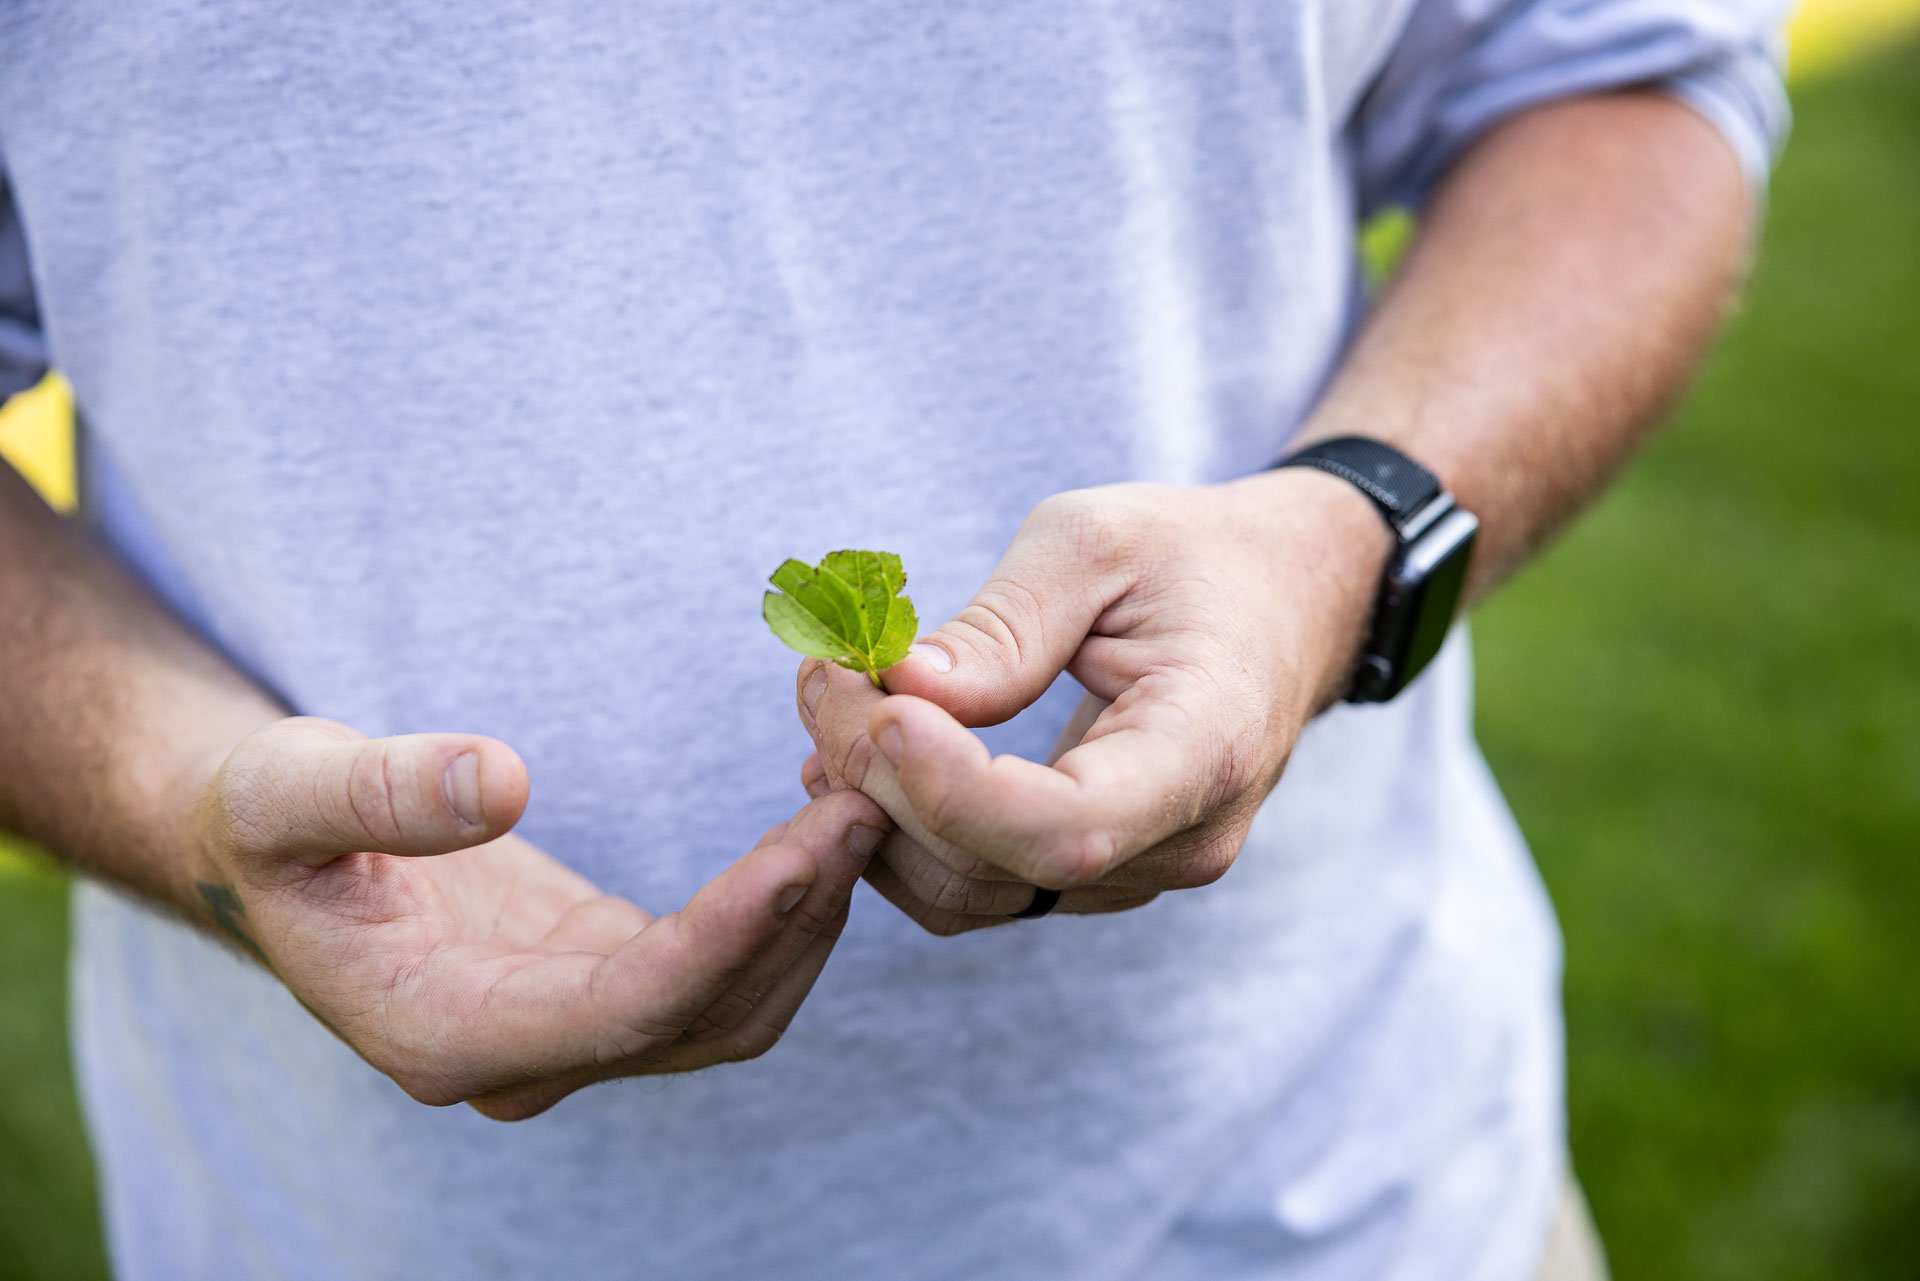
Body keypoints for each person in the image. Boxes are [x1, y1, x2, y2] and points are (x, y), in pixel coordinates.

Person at [0, 2, 1786, 1278]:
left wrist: (1343, 537)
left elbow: (1620, 68)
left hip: (1333, 1193)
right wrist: (181, 804)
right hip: (348, 1228)